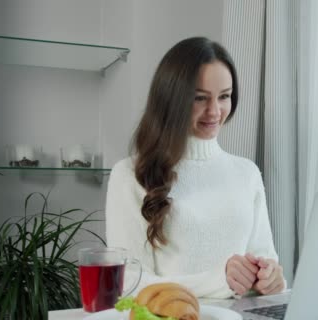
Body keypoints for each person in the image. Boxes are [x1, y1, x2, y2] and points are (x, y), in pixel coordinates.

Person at [105, 37, 285, 299]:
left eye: (224, 96)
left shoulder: (247, 173)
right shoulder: (129, 175)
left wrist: (271, 278)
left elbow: (264, 260)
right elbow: (129, 282)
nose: (215, 111)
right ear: (171, 100)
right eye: (200, 98)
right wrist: (218, 281)